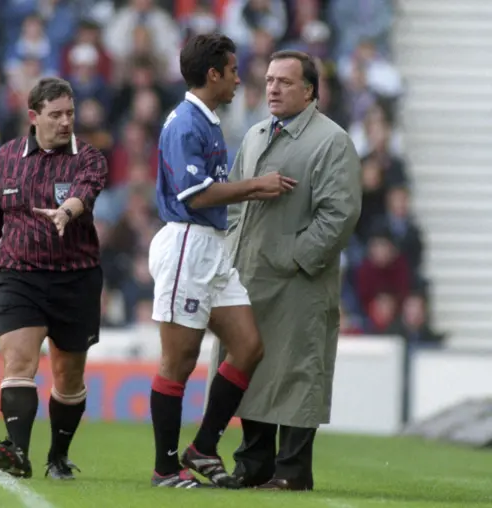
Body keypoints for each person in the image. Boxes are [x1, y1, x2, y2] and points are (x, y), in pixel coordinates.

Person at [208, 50, 362, 490]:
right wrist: (235, 249)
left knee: (297, 373)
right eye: (270, 79)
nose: (273, 88)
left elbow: (340, 215)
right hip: (249, 276)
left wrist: (295, 257)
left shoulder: (332, 141)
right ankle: (252, 465)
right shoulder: (255, 133)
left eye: (285, 82)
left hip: (299, 284)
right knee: (252, 372)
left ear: (310, 91)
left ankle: (292, 472)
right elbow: (234, 199)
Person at [148, 34, 296, 489]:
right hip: (188, 246)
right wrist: (255, 186)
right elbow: (196, 197)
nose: (237, 78)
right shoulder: (184, 124)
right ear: (213, 74)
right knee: (180, 360)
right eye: (232, 70)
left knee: (249, 346)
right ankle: (165, 469)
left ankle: (203, 446)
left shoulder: (207, 119)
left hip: (214, 246)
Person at [0, 77, 108, 480]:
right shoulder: (7, 157)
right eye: (56, 114)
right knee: (19, 361)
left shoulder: (89, 156)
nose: (66, 122)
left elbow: (86, 190)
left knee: (68, 376)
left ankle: (58, 456)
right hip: (18, 275)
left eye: (70, 113)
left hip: (75, 278)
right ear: (34, 117)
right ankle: (18, 453)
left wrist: (67, 211)